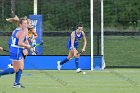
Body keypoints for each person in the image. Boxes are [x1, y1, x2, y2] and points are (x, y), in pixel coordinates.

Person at [0, 17, 33, 88]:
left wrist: (29, 47)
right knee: (15, 69)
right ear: (20, 24)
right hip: (16, 51)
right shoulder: (21, 32)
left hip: (16, 50)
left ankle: (16, 83)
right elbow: (20, 43)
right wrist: (27, 46)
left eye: (27, 23)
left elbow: (25, 40)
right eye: (26, 23)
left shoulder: (22, 30)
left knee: (21, 67)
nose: (27, 24)